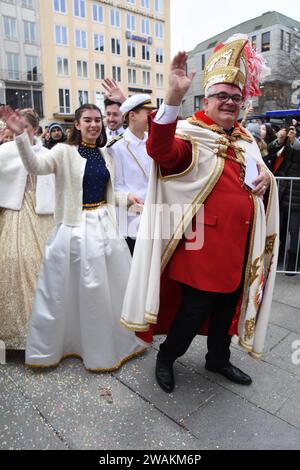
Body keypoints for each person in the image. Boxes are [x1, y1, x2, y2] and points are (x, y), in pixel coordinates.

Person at [120, 35, 279, 393]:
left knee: (226, 309)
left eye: (235, 98)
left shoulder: (245, 140)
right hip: (201, 249)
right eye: (221, 95)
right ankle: (167, 357)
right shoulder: (191, 134)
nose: (229, 102)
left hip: (242, 246)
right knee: (192, 313)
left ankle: (218, 359)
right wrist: (173, 98)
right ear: (205, 100)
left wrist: (266, 183)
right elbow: (161, 151)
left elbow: (263, 178)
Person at [0, 103, 145, 370]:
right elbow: (35, 166)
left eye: (97, 120)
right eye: (87, 120)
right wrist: (23, 137)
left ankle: (108, 344)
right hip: (73, 229)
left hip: (104, 226)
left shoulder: (105, 153)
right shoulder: (63, 152)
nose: (93, 125)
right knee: (72, 290)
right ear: (76, 125)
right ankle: (70, 344)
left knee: (107, 290)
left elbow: (107, 192)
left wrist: (127, 199)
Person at [0, 108, 54, 350]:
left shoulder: (47, 154)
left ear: (35, 130)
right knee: (12, 263)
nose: (21, 133)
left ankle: (45, 334)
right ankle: (15, 335)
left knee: (43, 267)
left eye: (26, 129)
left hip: (43, 216)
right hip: (15, 213)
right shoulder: (4, 152)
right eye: (17, 129)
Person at [106, 94, 155, 254]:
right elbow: (115, 186)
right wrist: (128, 198)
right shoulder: (116, 147)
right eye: (147, 113)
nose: (152, 117)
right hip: (131, 220)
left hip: (156, 217)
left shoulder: (153, 141)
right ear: (132, 115)